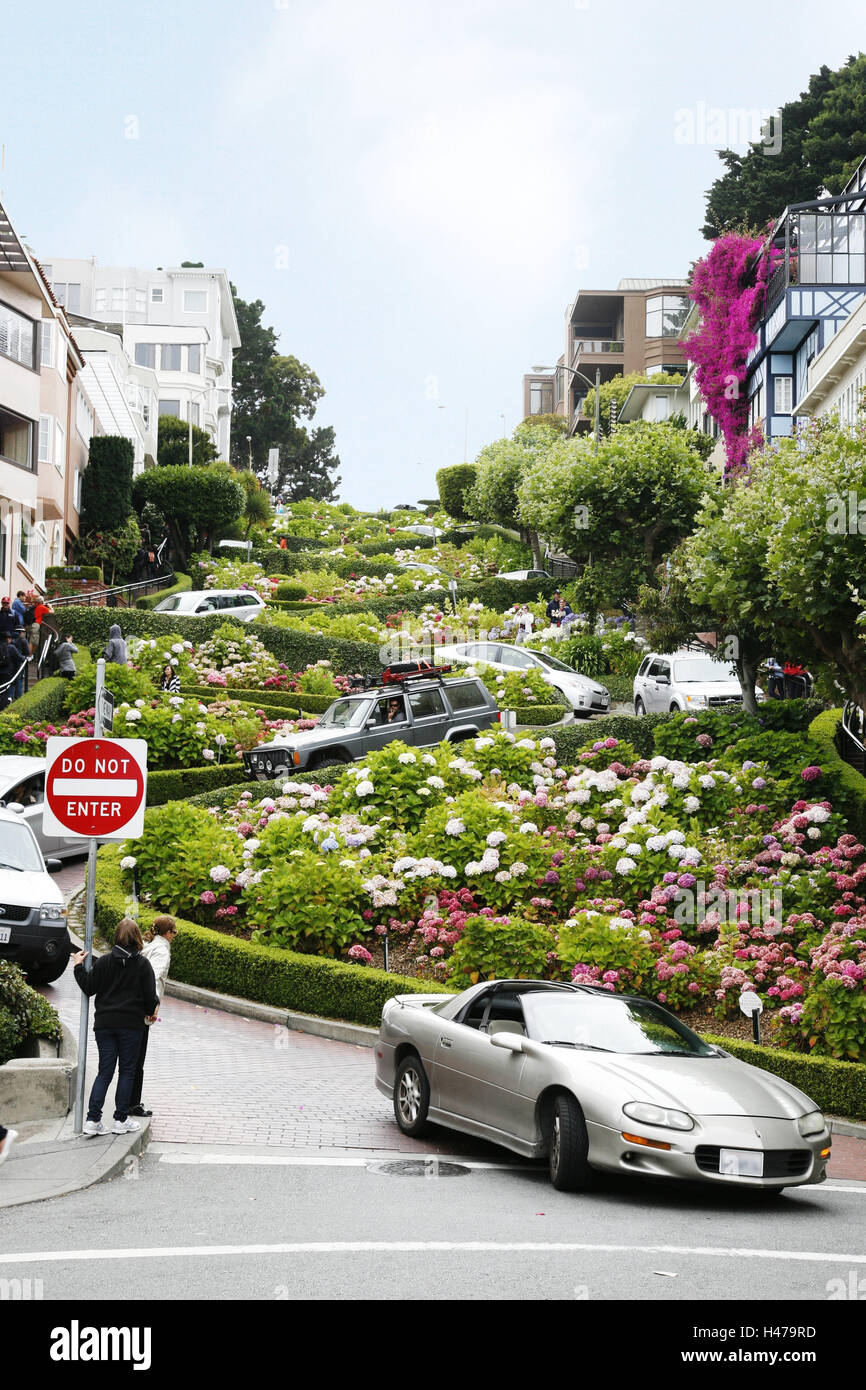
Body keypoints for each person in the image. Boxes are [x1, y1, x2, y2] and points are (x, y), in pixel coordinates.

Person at [73, 918, 159, 1137]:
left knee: (105, 1071)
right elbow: (150, 998)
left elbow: (89, 987)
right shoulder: (142, 965)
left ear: (117, 937)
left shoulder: (104, 962)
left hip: (104, 1025)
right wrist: (151, 1009)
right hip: (131, 1026)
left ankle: (93, 1120)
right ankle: (121, 1119)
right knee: (127, 1071)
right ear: (138, 938)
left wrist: (77, 967)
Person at [128, 916, 178, 1118]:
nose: (175, 936)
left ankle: (128, 1102)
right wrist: (153, 1006)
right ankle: (132, 1104)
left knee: (130, 1059)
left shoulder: (147, 946)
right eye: (174, 932)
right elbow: (153, 978)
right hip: (144, 1008)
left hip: (132, 1005)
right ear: (167, 933)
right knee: (137, 1061)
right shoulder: (162, 951)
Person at [10, 628, 31, 699]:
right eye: (23, 632)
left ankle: (9, 698)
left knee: (11, 681)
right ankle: (18, 698)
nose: (24, 633)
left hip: (10, 664)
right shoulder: (23, 640)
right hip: (20, 663)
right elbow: (27, 652)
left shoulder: (10, 639)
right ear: (20, 632)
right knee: (19, 680)